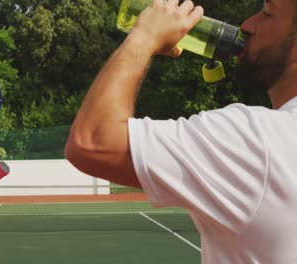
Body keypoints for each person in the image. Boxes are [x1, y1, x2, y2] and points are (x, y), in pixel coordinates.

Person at [65, 0, 297, 262]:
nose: (247, 24)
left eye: (267, 13)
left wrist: (144, 38)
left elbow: (92, 142)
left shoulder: (260, 141)